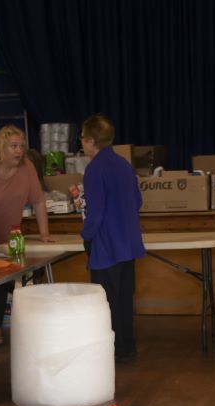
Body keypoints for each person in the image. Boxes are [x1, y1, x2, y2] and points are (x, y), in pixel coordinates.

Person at [0, 125, 55, 347]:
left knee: (3, 279)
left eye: (21, 146)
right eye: (13, 146)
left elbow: (38, 200)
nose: (19, 151)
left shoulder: (27, 168)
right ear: (1, 148)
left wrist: (44, 234)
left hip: (8, 236)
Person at [79, 114, 145, 362]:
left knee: (107, 301)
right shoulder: (123, 164)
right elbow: (138, 201)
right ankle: (129, 347)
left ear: (91, 140)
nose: (82, 143)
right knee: (125, 298)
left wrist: (86, 235)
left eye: (83, 138)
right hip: (128, 243)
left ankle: (113, 351)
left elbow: (95, 213)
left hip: (106, 245)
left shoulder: (95, 169)